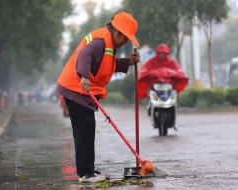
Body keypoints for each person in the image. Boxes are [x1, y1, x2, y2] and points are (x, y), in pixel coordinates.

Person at [56, 12, 140, 183]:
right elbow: (85, 56)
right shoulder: (101, 40)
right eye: (125, 38)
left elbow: (107, 64)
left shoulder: (108, 43)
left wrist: (128, 61)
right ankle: (85, 174)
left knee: (87, 129)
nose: (125, 42)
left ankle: (88, 170)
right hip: (76, 87)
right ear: (117, 32)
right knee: (84, 130)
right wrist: (85, 76)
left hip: (79, 89)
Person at [139, 43, 186, 115]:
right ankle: (150, 104)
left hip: (168, 87)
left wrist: (175, 74)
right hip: (156, 86)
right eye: (161, 53)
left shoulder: (171, 62)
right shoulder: (152, 61)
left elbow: (179, 70)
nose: (163, 55)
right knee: (150, 91)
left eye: (165, 53)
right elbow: (144, 69)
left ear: (167, 53)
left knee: (173, 95)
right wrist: (150, 73)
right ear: (158, 53)